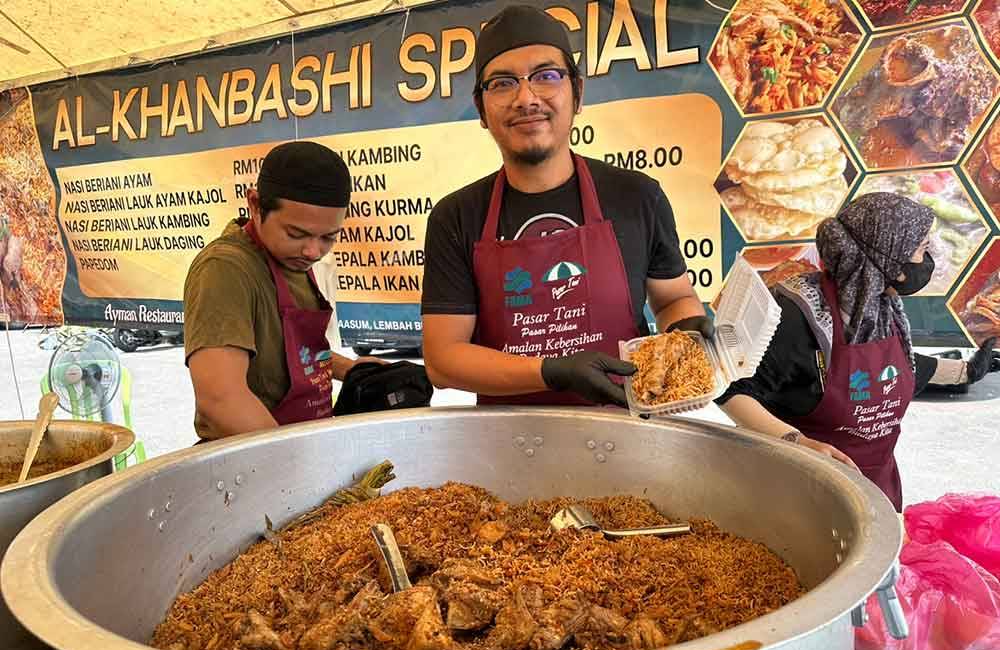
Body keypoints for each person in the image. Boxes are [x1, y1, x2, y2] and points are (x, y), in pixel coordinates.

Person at [421, 4, 711, 407]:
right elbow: (443, 360)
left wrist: (686, 327)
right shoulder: (455, 217)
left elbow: (672, 298)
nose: (526, 98)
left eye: (546, 76)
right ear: (481, 110)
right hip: (505, 443)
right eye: (502, 83)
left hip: (626, 427)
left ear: (577, 93)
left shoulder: (638, 196)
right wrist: (551, 371)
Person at [718, 192, 1000, 511]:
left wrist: (964, 371)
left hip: (876, 493)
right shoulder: (798, 314)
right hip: (795, 494)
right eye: (923, 249)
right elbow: (732, 390)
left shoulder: (882, 303)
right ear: (893, 260)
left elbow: (889, 370)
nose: (931, 259)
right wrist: (797, 443)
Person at [184, 141, 379, 442]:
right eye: (296, 233)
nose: (314, 251)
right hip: (252, 462)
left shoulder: (294, 259)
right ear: (255, 205)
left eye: (329, 237)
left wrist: (348, 368)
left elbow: (290, 356)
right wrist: (298, 466)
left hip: (301, 441)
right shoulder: (225, 269)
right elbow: (220, 399)